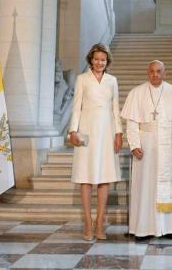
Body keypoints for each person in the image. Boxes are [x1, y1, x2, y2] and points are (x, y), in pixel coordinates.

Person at [121, 60, 172, 241]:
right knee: (145, 186)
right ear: (148, 73)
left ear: (164, 73)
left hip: (170, 144)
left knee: (171, 185)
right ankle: (143, 229)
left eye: (158, 71)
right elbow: (131, 123)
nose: (155, 75)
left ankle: (170, 228)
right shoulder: (136, 93)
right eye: (152, 71)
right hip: (147, 146)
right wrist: (134, 144)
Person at [68, 44, 123, 241]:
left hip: (107, 132)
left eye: (103, 59)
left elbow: (115, 108)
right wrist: (73, 130)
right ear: (91, 59)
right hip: (87, 131)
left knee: (104, 176)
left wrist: (119, 133)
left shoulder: (112, 81)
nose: (100, 62)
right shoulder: (82, 79)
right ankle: (88, 222)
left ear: (107, 62)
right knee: (85, 177)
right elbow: (76, 107)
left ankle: (100, 221)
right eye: (97, 59)